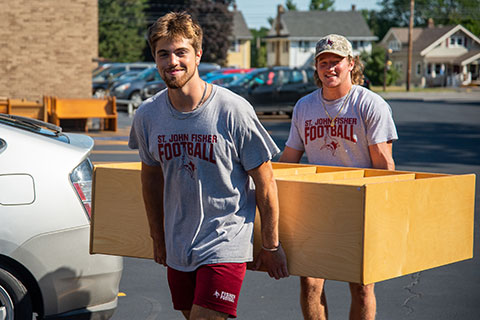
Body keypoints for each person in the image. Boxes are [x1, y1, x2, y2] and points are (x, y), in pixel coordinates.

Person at [128, 11, 288, 320]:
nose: (172, 61)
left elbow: (266, 181)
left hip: (225, 241)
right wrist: (157, 237)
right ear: (155, 59)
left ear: (198, 55)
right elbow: (150, 179)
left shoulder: (232, 110)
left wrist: (270, 244)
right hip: (178, 244)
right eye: (163, 54)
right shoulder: (148, 115)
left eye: (181, 52)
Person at [279, 34, 398, 320]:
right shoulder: (304, 107)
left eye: (336, 62)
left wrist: (384, 212)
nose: (329, 68)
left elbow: (384, 164)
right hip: (315, 206)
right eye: (323, 63)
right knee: (310, 283)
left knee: (361, 287)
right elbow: (288, 160)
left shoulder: (370, 105)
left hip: (359, 206)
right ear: (316, 68)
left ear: (350, 64)